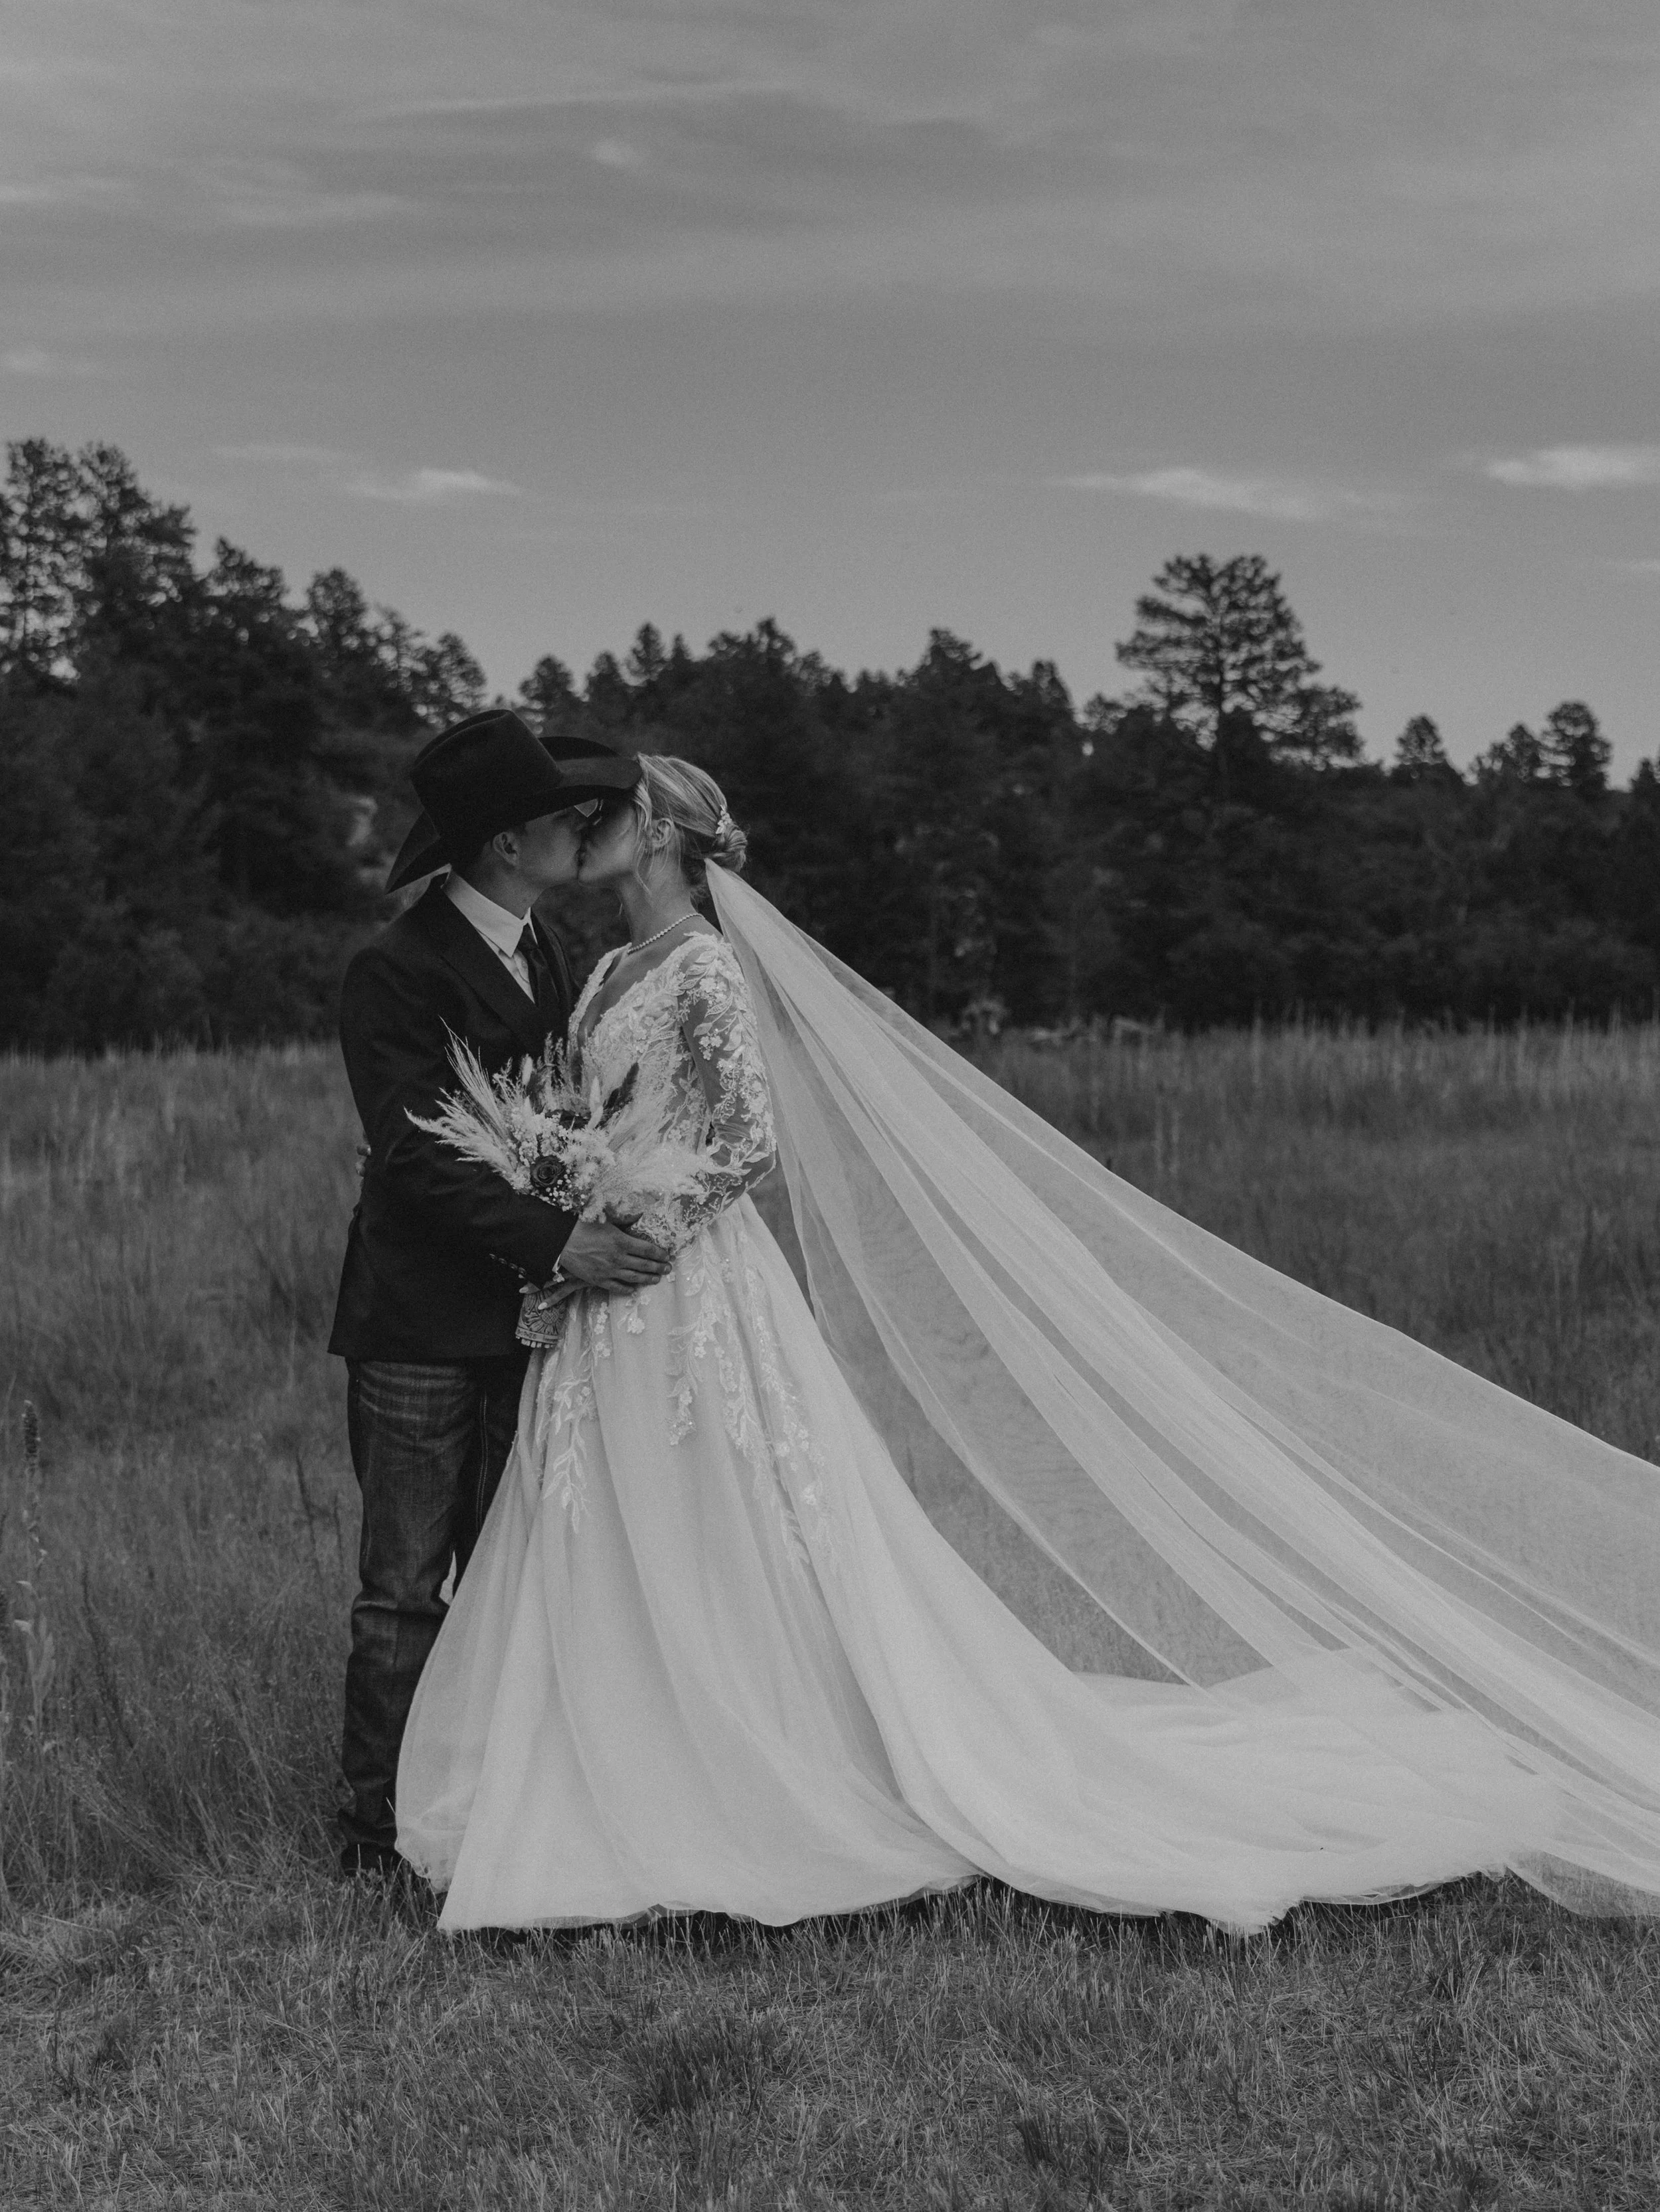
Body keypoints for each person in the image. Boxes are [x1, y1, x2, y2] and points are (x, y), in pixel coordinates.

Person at [395, 756, 1660, 1932]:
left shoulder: (707, 969)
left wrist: (640, 1210)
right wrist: (573, 1190)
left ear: (660, 832)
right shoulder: (607, 970)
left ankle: (747, 1760)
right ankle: (618, 1750)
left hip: (680, 1279)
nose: (587, 826)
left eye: (609, 812)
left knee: (722, 1513)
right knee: (614, 1518)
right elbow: (588, 1111)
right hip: (607, 1289)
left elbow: (746, 1141)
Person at [327, 709, 672, 1876]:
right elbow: (417, 1159)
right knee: (405, 1588)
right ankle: (374, 1831)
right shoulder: (393, 969)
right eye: (562, 817)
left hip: (528, 1323)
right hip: (421, 1322)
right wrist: (559, 1238)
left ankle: (480, 1801)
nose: (585, 826)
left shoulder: (550, 950)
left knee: (511, 1567)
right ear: (504, 843)